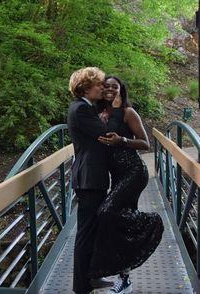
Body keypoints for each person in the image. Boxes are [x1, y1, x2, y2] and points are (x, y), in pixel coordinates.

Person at [88, 76, 164, 294]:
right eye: (107, 86)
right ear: (101, 90)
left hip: (134, 172)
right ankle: (125, 279)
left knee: (106, 212)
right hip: (116, 175)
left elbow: (145, 143)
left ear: (121, 89)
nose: (110, 89)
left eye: (115, 86)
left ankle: (151, 221)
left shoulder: (128, 113)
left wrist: (121, 140)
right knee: (118, 220)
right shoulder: (99, 113)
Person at [67, 68, 122, 294]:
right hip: (89, 179)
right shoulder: (81, 109)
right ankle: (81, 286)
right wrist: (117, 110)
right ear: (86, 87)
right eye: (98, 84)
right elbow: (107, 134)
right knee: (86, 233)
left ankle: (90, 278)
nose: (102, 87)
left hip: (93, 178)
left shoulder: (86, 108)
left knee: (92, 231)